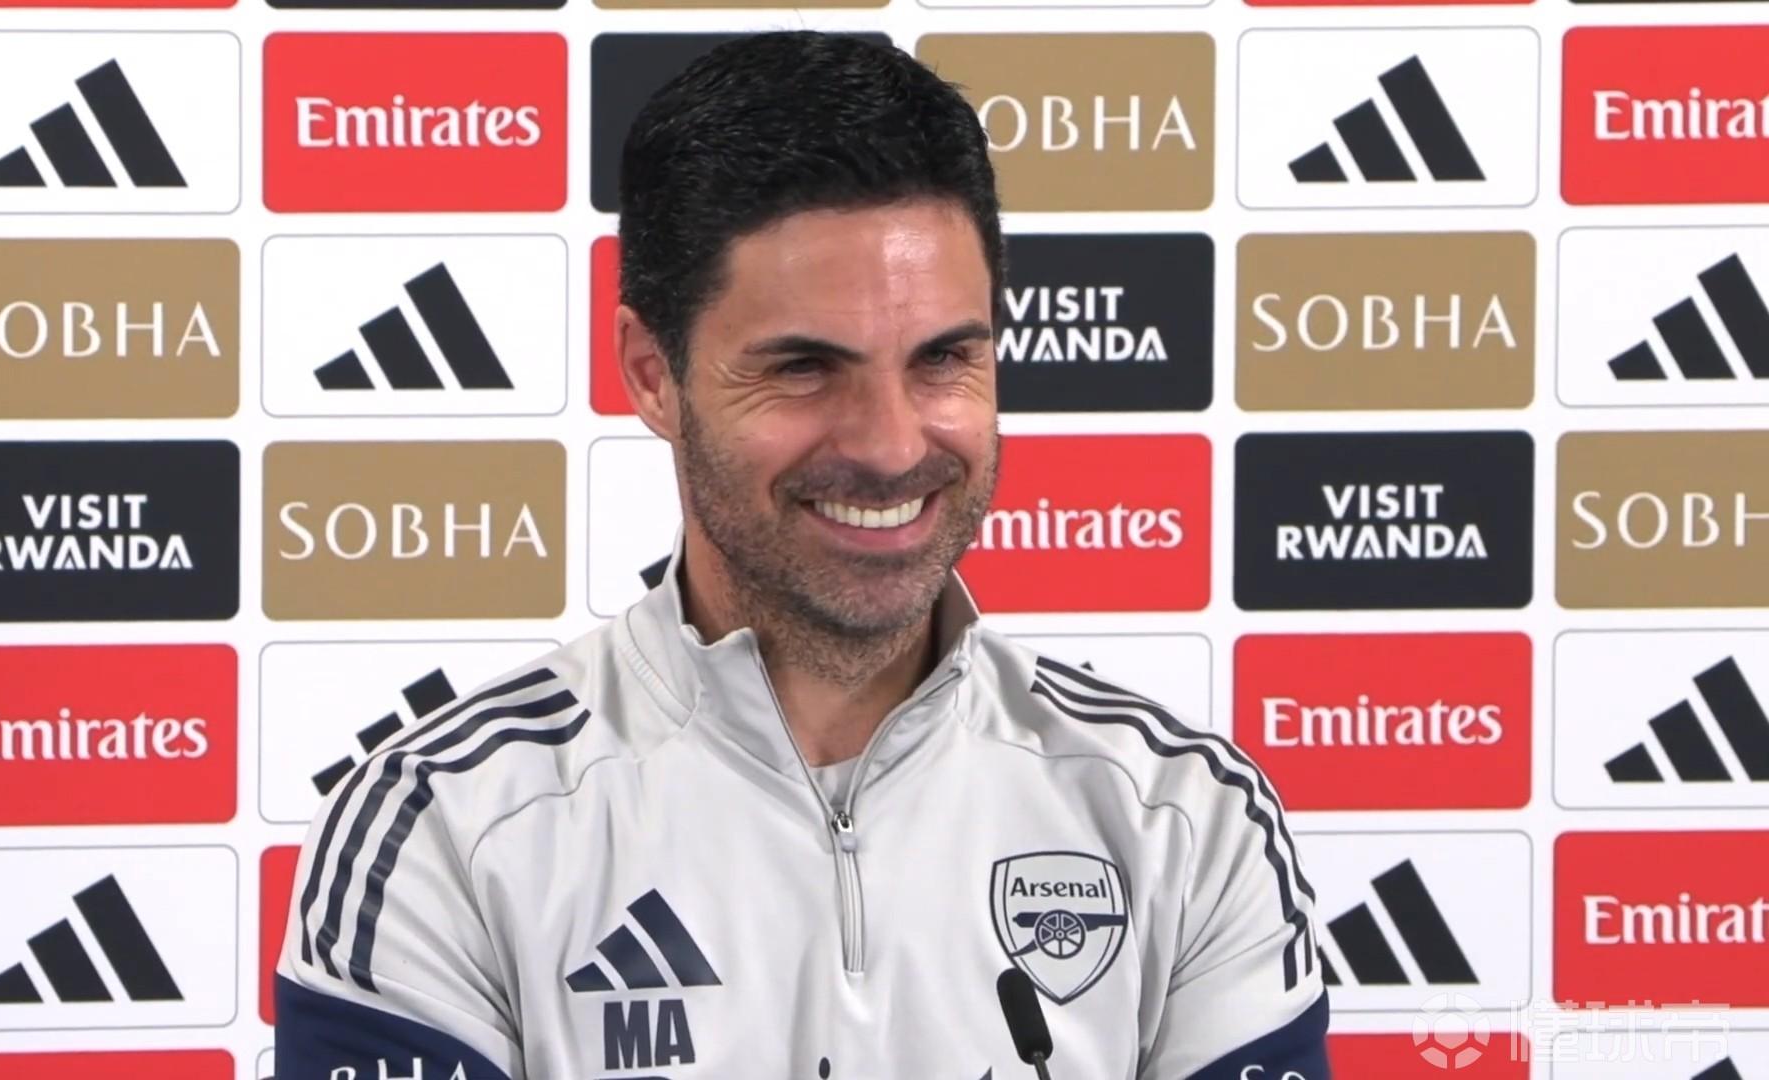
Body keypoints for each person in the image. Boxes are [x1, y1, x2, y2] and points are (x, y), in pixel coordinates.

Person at [274, 30, 1329, 1079]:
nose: (892, 445)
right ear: (652, 374)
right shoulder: (444, 832)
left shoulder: (1183, 815)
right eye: (803, 369)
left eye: (943, 359)